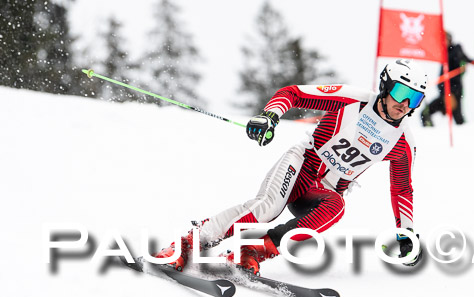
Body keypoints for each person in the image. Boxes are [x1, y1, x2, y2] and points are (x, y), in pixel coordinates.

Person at [155, 59, 427, 275]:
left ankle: (251, 251)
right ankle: (187, 244)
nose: (403, 104)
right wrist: (270, 115)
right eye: (400, 92)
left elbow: (402, 189)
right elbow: (293, 94)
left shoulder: (402, 141)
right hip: (301, 164)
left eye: (413, 99)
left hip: (322, 191)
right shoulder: (352, 99)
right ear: (385, 86)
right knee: (268, 207)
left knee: (337, 207)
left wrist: (407, 233)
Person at [421, 32, 473, 126]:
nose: (443, 42)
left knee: (458, 119)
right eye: (441, 40)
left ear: (449, 39)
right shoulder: (443, 53)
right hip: (443, 94)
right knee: (425, 113)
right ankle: (430, 134)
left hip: (453, 93)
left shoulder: (456, 50)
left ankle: (466, 136)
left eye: (445, 39)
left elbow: (465, 60)